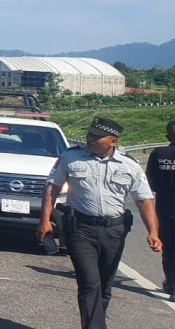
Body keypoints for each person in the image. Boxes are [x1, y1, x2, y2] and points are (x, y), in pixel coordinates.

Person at [37, 117, 162, 329]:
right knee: (89, 282)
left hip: (114, 231)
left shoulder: (129, 165)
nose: (90, 139)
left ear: (113, 141)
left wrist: (153, 232)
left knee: (104, 286)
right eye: (90, 134)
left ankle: (94, 323)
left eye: (97, 136)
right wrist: (45, 220)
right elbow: (52, 188)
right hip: (81, 229)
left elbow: (144, 200)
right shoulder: (70, 157)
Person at [145, 120, 175, 301]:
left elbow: (150, 184)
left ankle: (172, 284)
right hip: (166, 210)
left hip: (166, 210)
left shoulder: (158, 154)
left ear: (167, 136)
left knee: (170, 249)